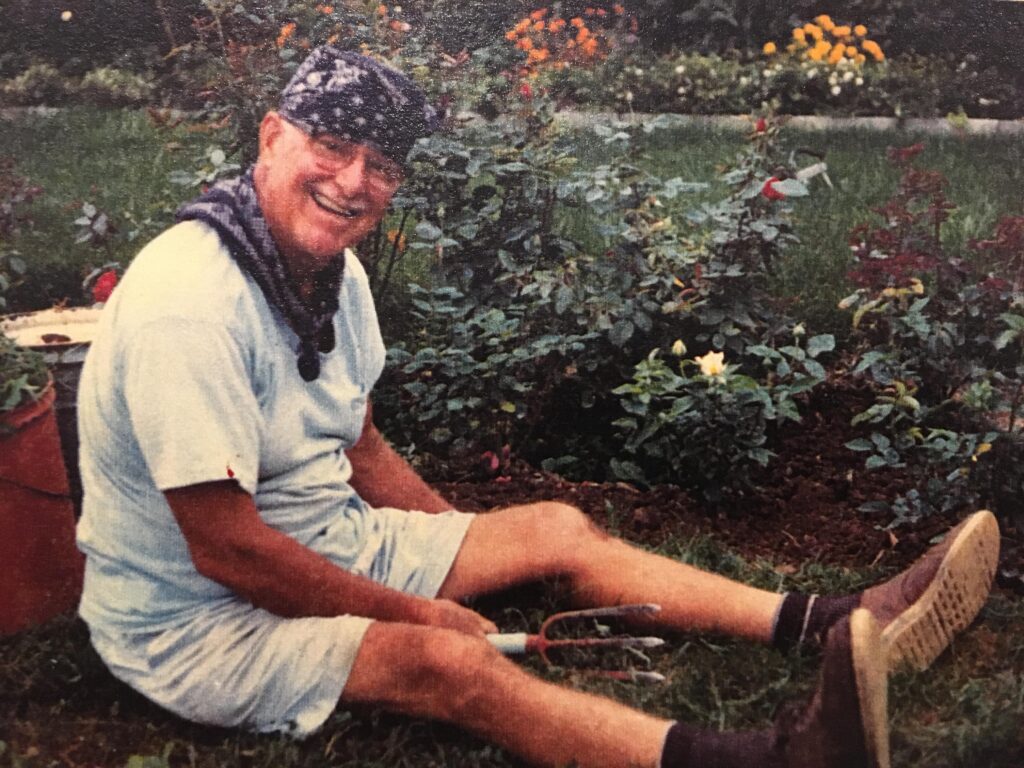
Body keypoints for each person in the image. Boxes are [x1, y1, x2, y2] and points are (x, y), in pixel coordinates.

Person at [75, 46, 1000, 768]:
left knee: (551, 527)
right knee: (450, 666)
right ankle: (766, 758)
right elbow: (227, 548)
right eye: (330, 147)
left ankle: (835, 619)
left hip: (323, 542)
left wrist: (464, 546)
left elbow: (356, 443)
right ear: (272, 135)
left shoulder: (331, 270)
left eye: (380, 164)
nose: (353, 181)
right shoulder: (188, 303)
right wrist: (421, 617)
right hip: (196, 623)